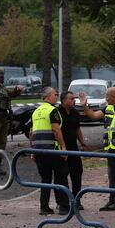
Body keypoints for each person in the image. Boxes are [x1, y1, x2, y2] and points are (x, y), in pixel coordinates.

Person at [30, 87, 70, 215]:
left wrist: (33, 150)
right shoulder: (53, 111)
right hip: (53, 150)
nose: (57, 96)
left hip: (39, 151)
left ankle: (44, 207)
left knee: (45, 179)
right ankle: (64, 206)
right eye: (55, 95)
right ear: (47, 97)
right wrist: (63, 147)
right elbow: (56, 130)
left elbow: (31, 132)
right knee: (61, 178)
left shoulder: (36, 112)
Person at [58, 91, 87, 209]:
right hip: (61, 149)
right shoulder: (57, 112)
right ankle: (62, 202)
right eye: (71, 99)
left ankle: (76, 199)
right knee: (61, 176)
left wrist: (83, 143)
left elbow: (77, 129)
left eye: (74, 98)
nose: (74, 100)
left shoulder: (75, 112)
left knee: (77, 173)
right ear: (64, 101)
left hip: (73, 148)